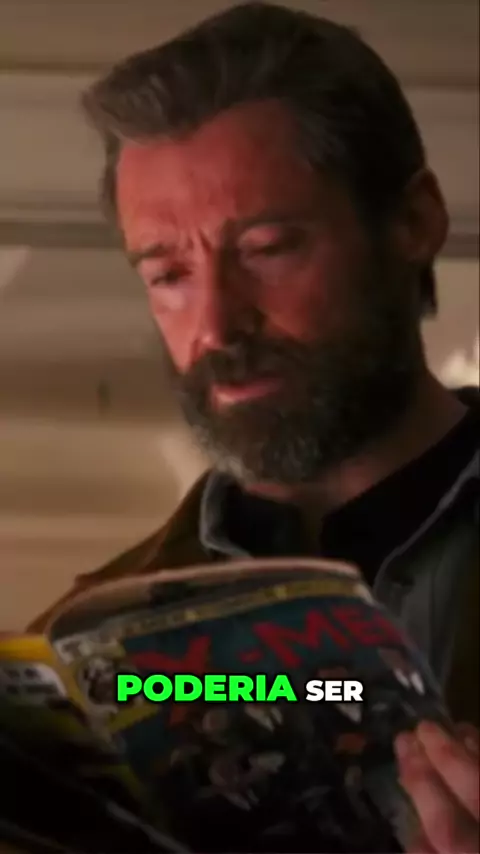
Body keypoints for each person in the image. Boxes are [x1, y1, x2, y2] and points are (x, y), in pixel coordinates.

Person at [30, 3, 479, 850]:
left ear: (414, 222)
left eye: (268, 249)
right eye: (168, 274)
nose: (216, 327)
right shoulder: (78, 646)